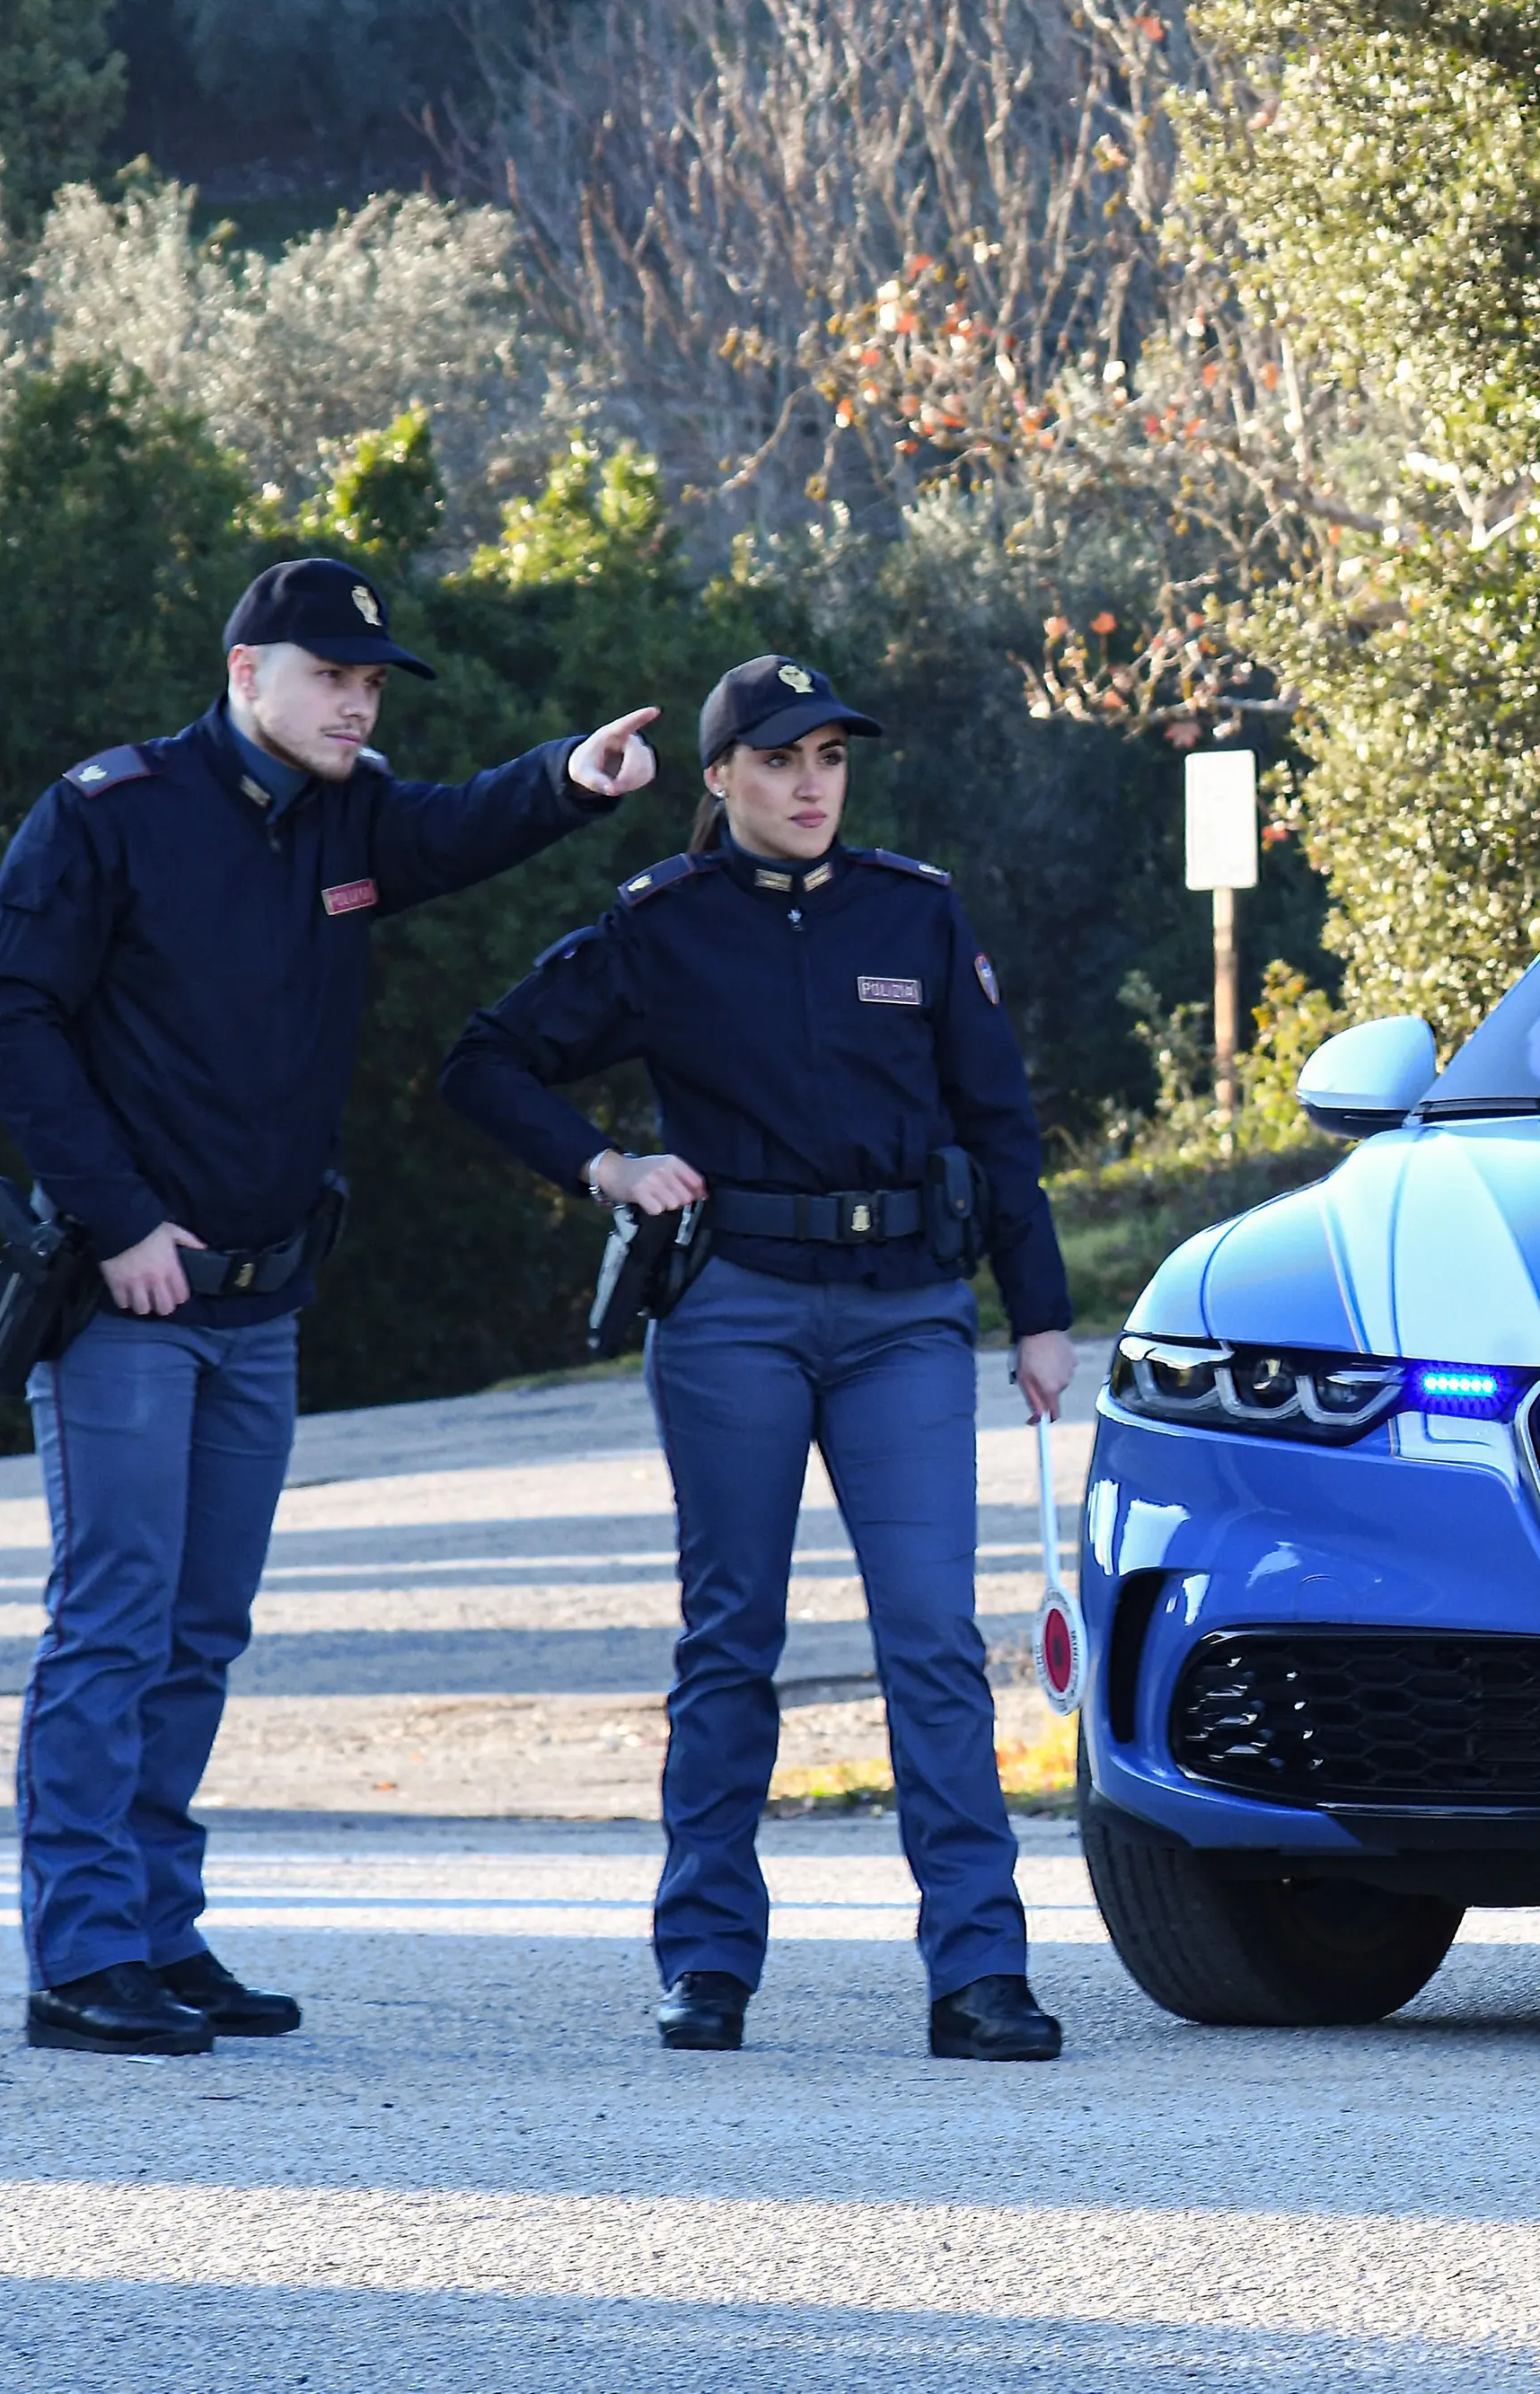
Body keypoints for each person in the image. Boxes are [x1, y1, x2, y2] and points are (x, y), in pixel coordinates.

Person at [0, 557, 661, 2057]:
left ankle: (155, 1928)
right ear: (243, 674)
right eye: (331, 675)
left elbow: (455, 827)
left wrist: (573, 778)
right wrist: (121, 1215)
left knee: (201, 1629)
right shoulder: (110, 811)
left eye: (371, 682)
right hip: (127, 1300)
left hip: (262, 1302)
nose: (357, 700)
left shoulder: (348, 812)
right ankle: (80, 1956)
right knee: (114, 1624)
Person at [439, 655, 1077, 2063]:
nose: (809, 786)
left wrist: (1037, 1308)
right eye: (780, 761)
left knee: (930, 1640)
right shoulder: (662, 925)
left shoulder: (915, 910)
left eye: (831, 760)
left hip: (905, 1312)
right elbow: (484, 1061)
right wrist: (608, 1164)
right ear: (719, 777)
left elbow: (999, 1116)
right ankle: (707, 1964)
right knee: (732, 1641)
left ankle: (980, 1972)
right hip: (732, 1309)